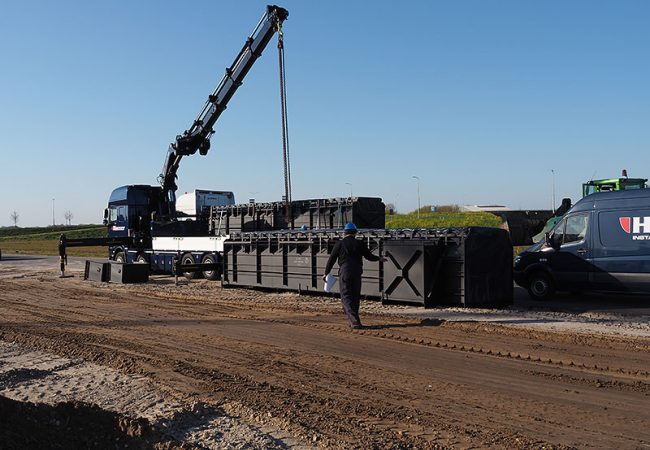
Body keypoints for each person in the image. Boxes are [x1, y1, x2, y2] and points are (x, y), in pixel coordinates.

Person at [322, 223, 386, 329]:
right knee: (355, 296)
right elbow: (369, 256)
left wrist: (326, 273)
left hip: (345, 271)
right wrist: (379, 258)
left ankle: (354, 321)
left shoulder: (340, 244)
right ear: (355, 233)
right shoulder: (359, 243)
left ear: (345, 233)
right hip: (357, 271)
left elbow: (332, 259)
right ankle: (354, 320)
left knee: (346, 296)